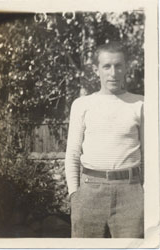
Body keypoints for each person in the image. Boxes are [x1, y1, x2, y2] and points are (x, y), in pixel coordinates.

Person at [65, 41, 144, 238]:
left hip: (131, 193)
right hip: (89, 192)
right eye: (107, 66)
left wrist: (148, 194)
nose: (113, 72)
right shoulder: (82, 105)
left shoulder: (141, 104)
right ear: (96, 70)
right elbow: (73, 154)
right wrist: (74, 194)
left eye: (118, 65)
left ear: (126, 67)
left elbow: (152, 157)